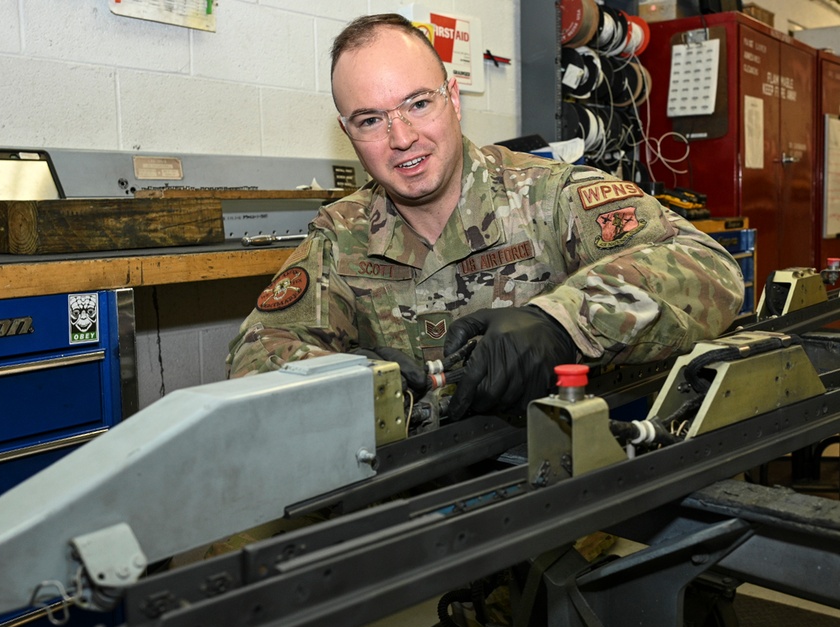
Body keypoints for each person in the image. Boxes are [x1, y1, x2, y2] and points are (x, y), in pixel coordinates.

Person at [227, 13, 744, 423]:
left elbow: (709, 269)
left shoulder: (550, 195)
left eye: (418, 104)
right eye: (371, 120)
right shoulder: (341, 236)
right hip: (410, 488)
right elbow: (256, 353)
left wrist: (559, 324)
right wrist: (348, 376)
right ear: (348, 132)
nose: (402, 136)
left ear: (452, 99)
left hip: (555, 472)